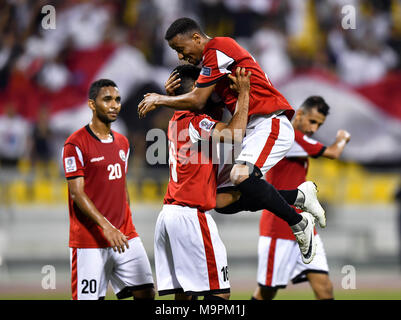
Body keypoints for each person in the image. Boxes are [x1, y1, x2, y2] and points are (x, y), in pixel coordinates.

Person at [138, 17, 325, 264]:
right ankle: (299, 197)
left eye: (181, 49)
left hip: (270, 122)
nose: (181, 56)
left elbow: (196, 100)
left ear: (196, 38)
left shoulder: (217, 49)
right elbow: (198, 102)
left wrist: (160, 99)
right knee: (221, 200)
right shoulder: (213, 69)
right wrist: (176, 93)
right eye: (176, 52)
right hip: (251, 130)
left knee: (241, 176)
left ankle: (298, 222)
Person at [154, 64, 250, 300]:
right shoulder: (196, 122)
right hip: (191, 216)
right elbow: (234, 134)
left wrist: (173, 97)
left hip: (168, 215)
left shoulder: (176, 118)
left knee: (186, 295)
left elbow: (203, 105)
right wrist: (245, 93)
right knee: (219, 294)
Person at [62, 79, 155, 300]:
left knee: (147, 293)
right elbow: (77, 192)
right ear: (92, 105)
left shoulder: (122, 142)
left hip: (125, 235)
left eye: (117, 100)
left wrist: (125, 222)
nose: (114, 105)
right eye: (107, 99)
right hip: (90, 240)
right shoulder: (75, 144)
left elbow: (122, 184)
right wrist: (106, 226)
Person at [253, 96, 351, 300]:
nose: (314, 128)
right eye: (312, 121)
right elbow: (333, 152)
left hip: (305, 227)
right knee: (267, 293)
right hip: (279, 227)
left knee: (324, 287)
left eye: (319, 125)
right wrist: (342, 137)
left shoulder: (298, 140)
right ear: (299, 114)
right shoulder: (290, 136)